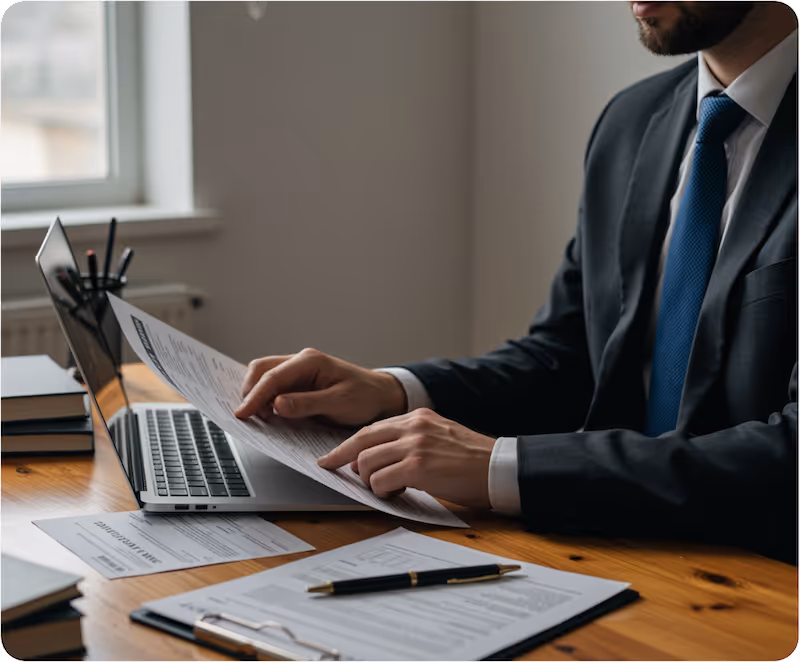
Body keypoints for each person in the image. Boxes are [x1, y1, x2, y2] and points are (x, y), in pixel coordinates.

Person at [235, 1, 798, 564]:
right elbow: (567, 356)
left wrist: (500, 467)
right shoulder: (632, 121)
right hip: (610, 547)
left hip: (760, 572)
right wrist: (392, 391)